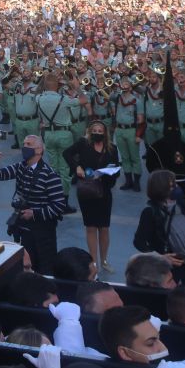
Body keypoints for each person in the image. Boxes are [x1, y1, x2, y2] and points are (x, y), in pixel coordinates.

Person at [0, 134, 68, 275]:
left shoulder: (50, 175)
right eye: (24, 144)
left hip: (43, 231)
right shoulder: (21, 167)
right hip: (25, 229)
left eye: (29, 145)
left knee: (45, 268)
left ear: (39, 150)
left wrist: (34, 213)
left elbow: (59, 206)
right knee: (27, 265)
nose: (25, 147)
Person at [132, 169, 185, 287]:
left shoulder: (183, 203)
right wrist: (160, 257)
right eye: (173, 185)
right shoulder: (150, 212)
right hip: (171, 267)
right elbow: (139, 242)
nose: (177, 187)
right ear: (161, 189)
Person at [63, 117, 117, 275]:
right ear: (89, 132)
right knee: (91, 227)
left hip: (104, 190)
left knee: (104, 227)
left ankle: (104, 260)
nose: (97, 133)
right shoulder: (83, 145)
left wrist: (106, 174)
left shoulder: (111, 149)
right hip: (87, 191)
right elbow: (67, 153)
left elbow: (116, 169)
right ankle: (93, 261)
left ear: (105, 133)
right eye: (94, 131)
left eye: (100, 131)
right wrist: (77, 167)